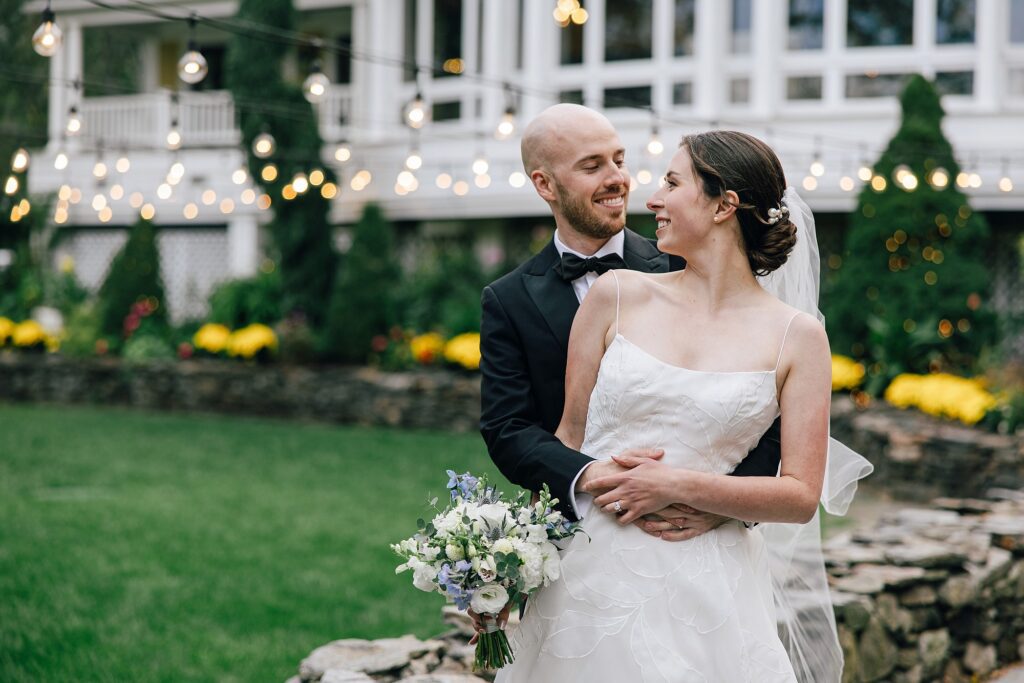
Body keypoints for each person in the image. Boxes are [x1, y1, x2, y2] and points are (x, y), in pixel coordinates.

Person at [494, 131, 872, 682]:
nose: (652, 199)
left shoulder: (799, 337)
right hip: (583, 582)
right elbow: (565, 442)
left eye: (672, 183)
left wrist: (679, 487)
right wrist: (511, 568)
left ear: (724, 204)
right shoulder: (616, 295)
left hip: (709, 591)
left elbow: (799, 495)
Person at [479, 104, 782, 545]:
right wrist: (586, 474)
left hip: (701, 536)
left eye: (619, 160)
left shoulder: (690, 258)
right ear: (545, 184)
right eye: (592, 166)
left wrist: (721, 507)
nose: (617, 178)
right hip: (581, 533)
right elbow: (508, 429)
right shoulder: (508, 300)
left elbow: (764, 394)